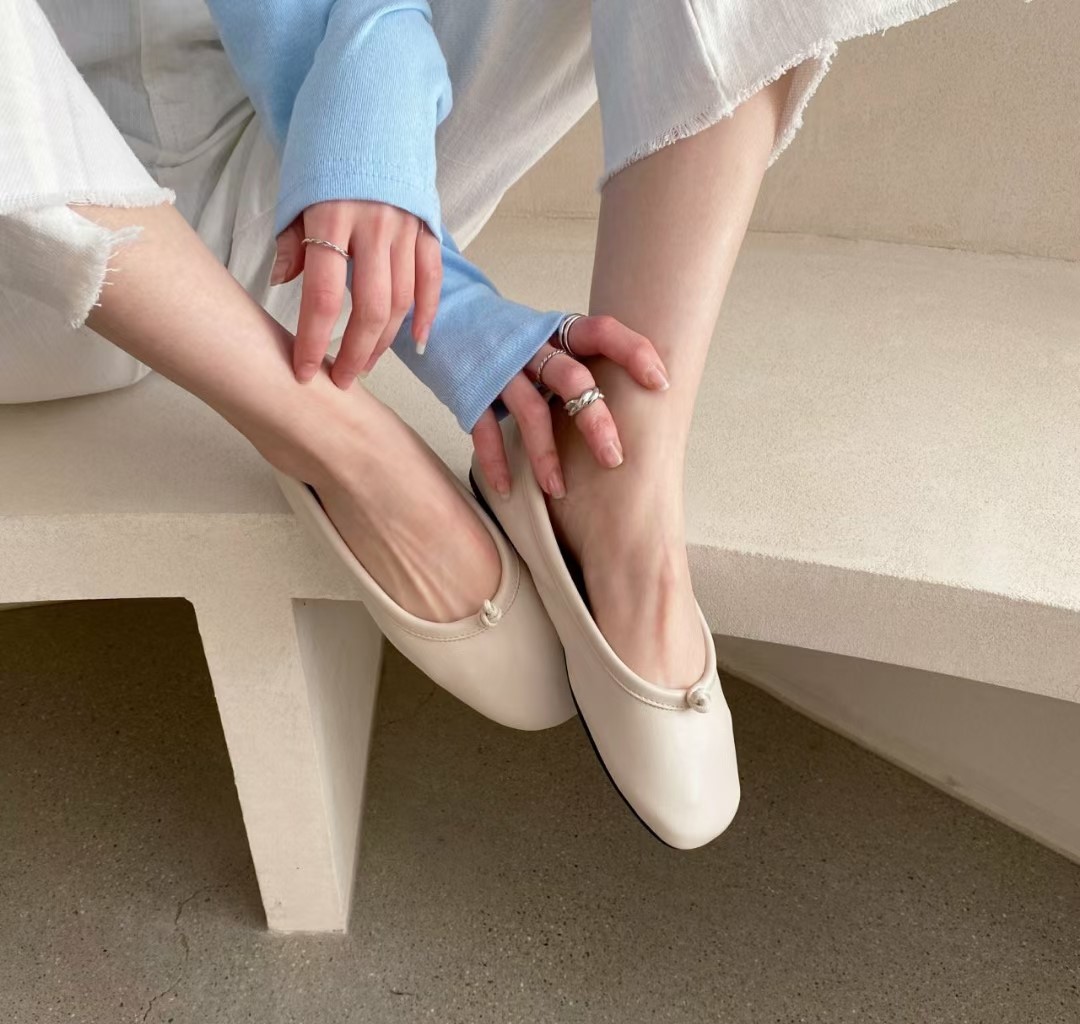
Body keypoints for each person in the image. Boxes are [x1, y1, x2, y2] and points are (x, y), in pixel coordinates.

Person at [0, 0, 955, 847]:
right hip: (49, 258)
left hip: (289, 154)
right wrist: (447, 306)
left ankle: (627, 461)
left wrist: (372, 71)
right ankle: (324, 430)